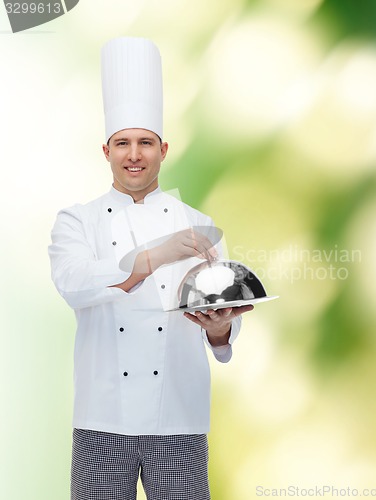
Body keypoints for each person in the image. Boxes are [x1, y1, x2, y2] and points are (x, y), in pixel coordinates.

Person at [49, 36, 252, 500]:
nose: (134, 154)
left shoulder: (200, 226)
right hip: (101, 420)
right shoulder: (76, 220)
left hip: (178, 419)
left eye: (145, 143)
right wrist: (155, 255)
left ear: (164, 148)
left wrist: (220, 329)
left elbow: (220, 324)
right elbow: (74, 284)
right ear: (106, 151)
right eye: (123, 143)